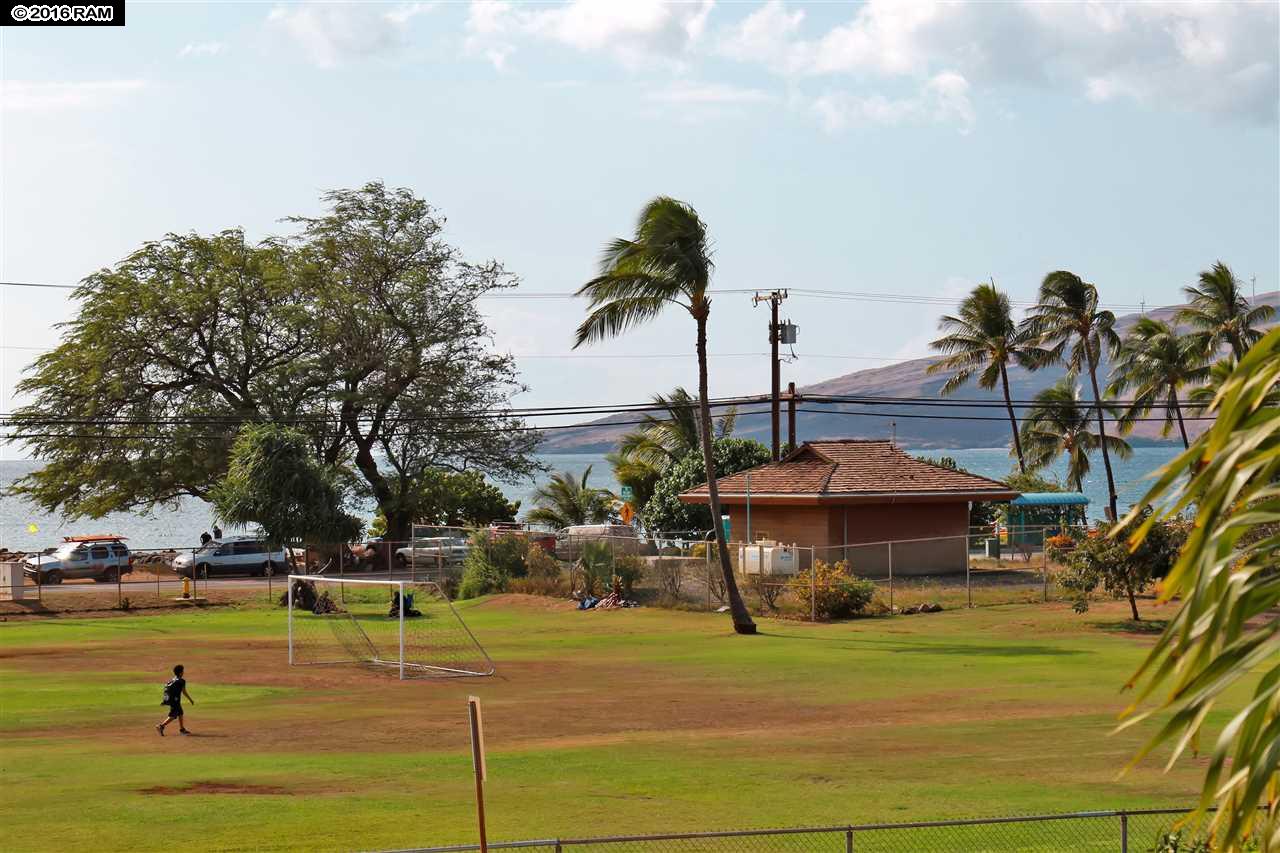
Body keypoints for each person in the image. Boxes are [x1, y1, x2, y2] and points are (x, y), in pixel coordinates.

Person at [156, 664, 194, 736]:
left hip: (172, 699)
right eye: (182, 671)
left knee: (180, 713)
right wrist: (190, 699)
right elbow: (184, 692)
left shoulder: (172, 680)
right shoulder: (181, 681)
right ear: (180, 673)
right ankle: (161, 726)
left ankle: (182, 729)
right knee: (173, 715)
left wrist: (165, 701)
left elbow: (166, 690)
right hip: (175, 700)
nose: (183, 672)